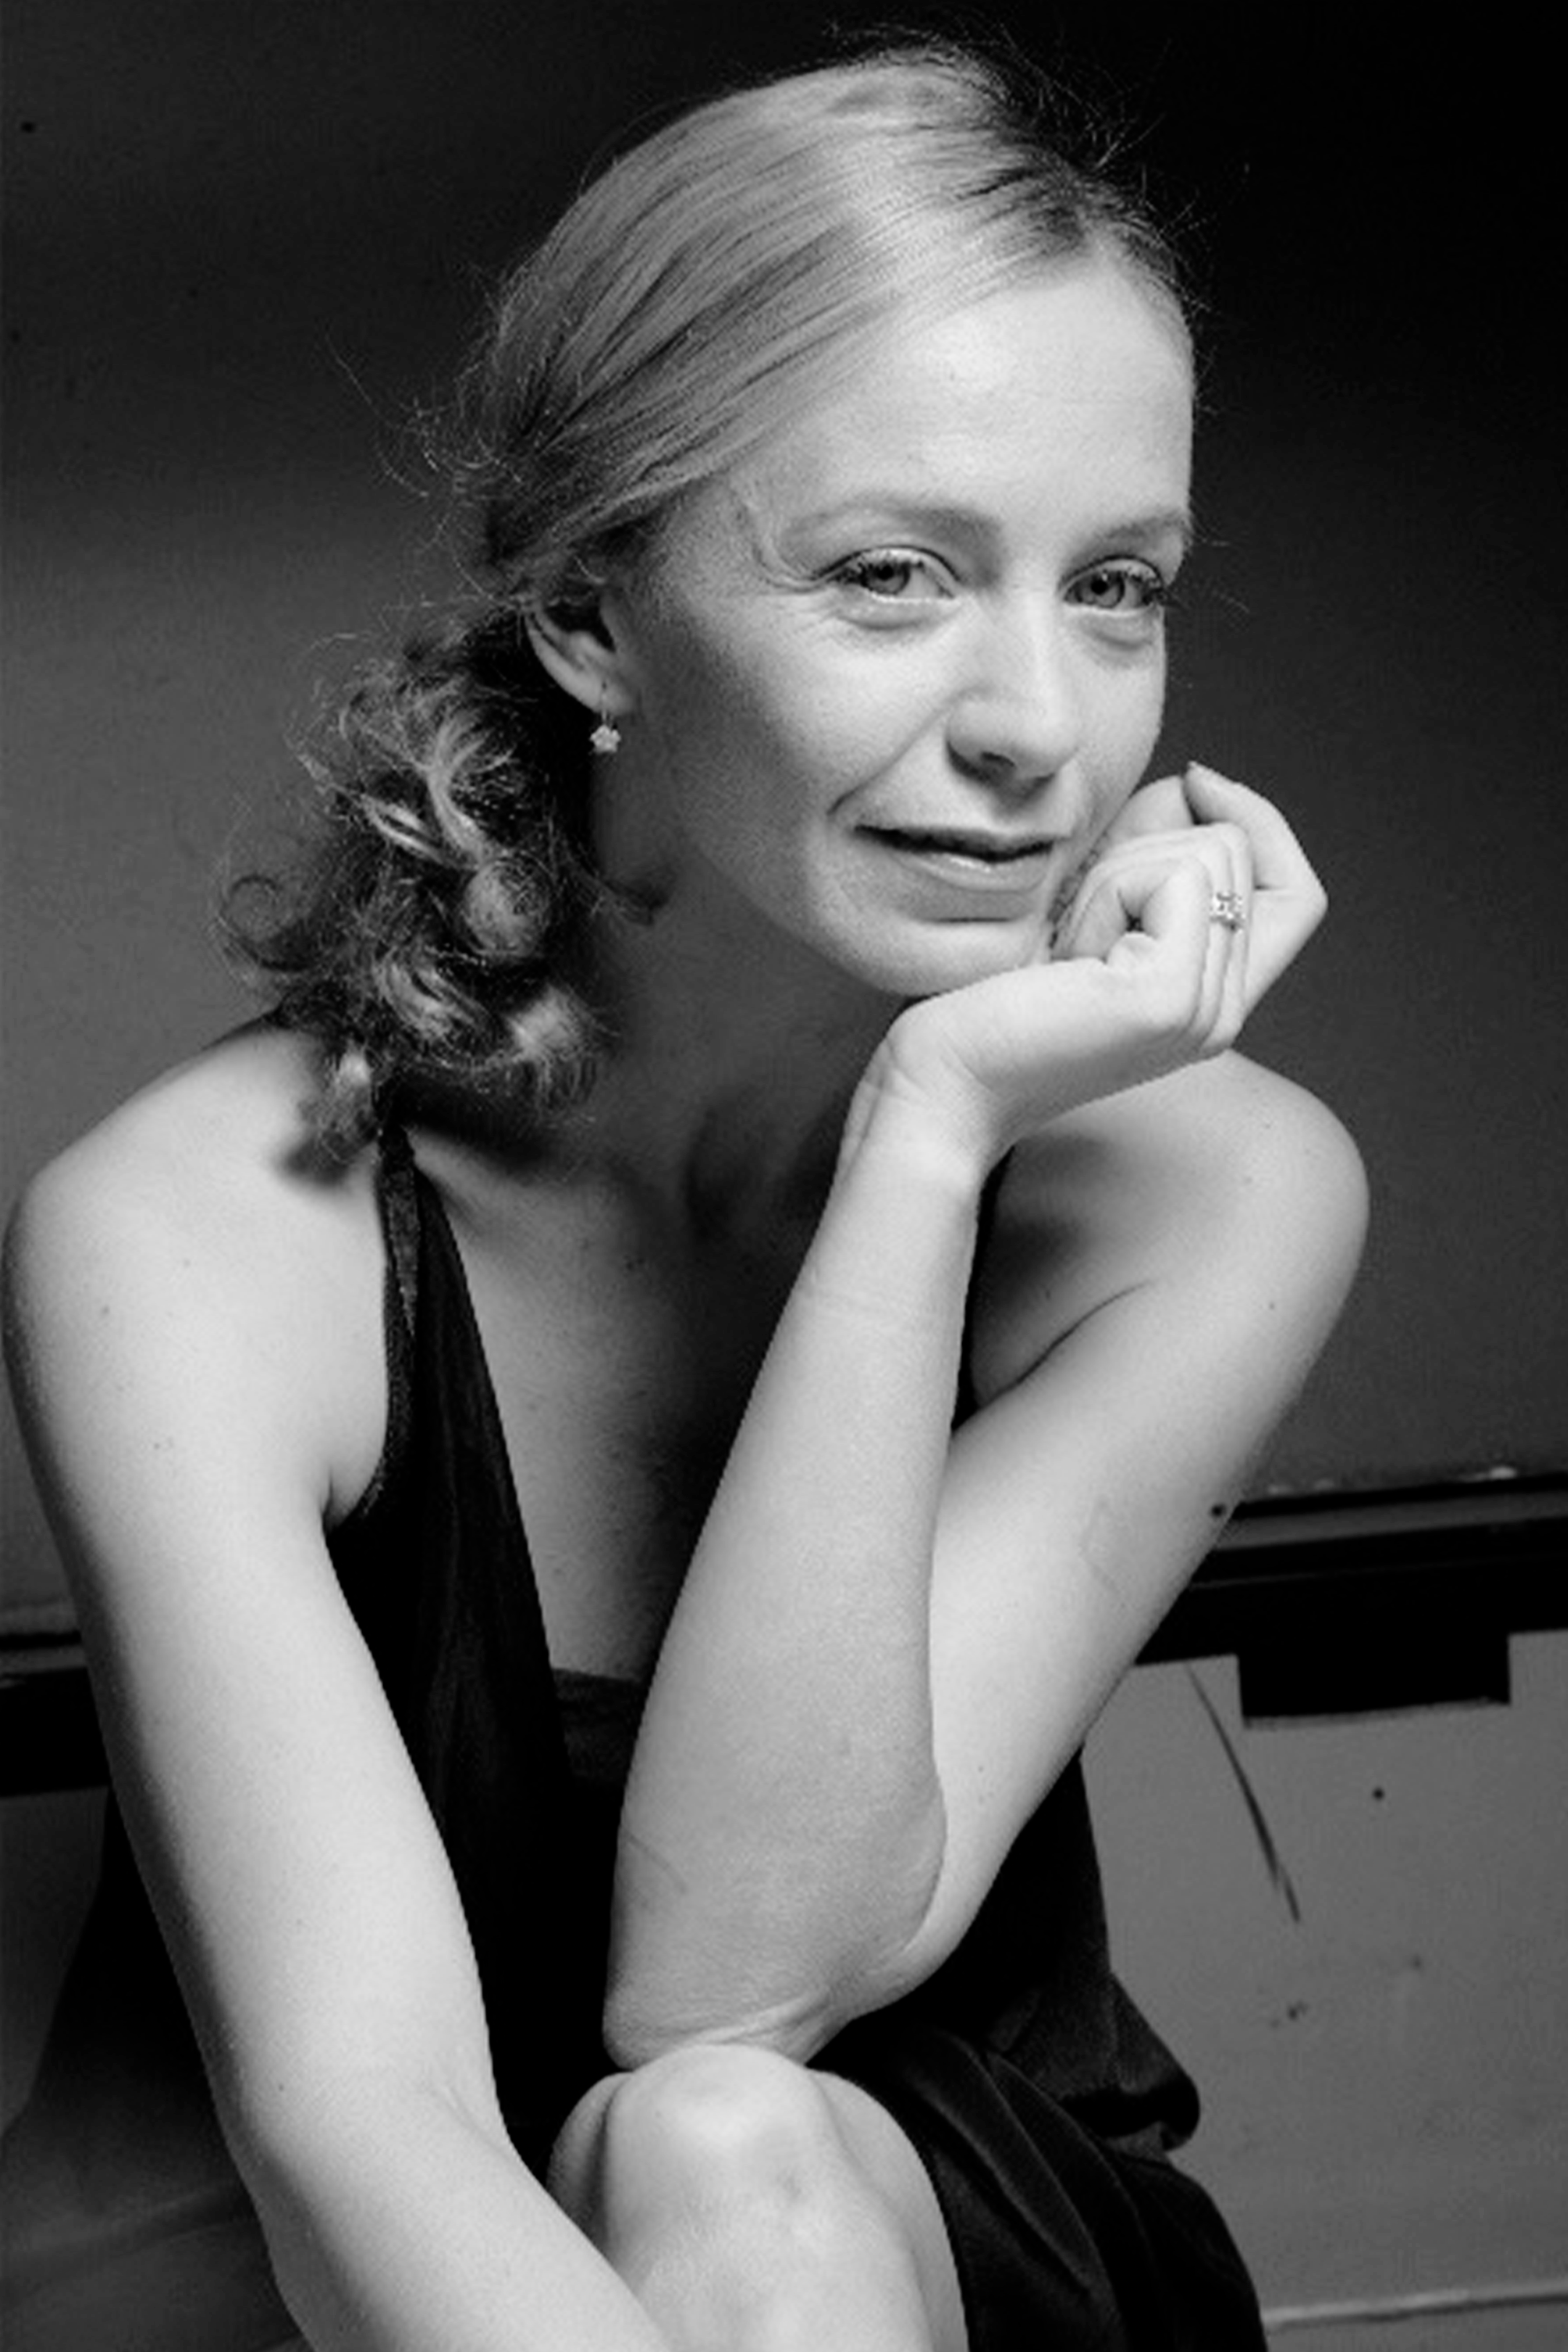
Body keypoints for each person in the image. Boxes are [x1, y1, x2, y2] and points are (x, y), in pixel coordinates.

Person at [1, 40, 1367, 2352]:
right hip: (313, 2290)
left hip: (902, 2250)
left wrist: (928, 1138)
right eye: (891, 573)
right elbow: (364, 2138)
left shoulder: (1209, 1195)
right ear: (590, 614)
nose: (1042, 723)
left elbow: (722, 1984)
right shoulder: (200, 1244)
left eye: (1117, 586)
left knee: (717, 2155)